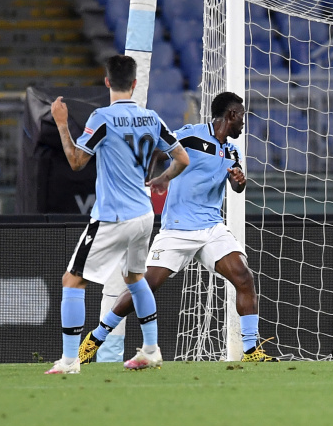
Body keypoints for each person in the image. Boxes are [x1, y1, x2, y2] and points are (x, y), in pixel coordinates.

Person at [79, 91, 276, 364]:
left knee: (244, 278)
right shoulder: (191, 136)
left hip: (211, 228)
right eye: (241, 117)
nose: (244, 123)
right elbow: (157, 149)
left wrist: (239, 179)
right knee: (145, 286)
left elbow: (237, 187)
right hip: (178, 229)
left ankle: (252, 350)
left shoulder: (233, 150)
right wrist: (146, 176)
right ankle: (96, 338)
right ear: (231, 115)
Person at [46, 54, 190, 374]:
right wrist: (161, 179)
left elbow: (76, 161)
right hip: (143, 216)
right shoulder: (151, 118)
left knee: (72, 281)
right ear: (135, 84)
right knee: (136, 279)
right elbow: (181, 158)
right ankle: (151, 350)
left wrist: (60, 122)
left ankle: (70, 360)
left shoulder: (102, 118)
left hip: (114, 216)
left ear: (107, 82)